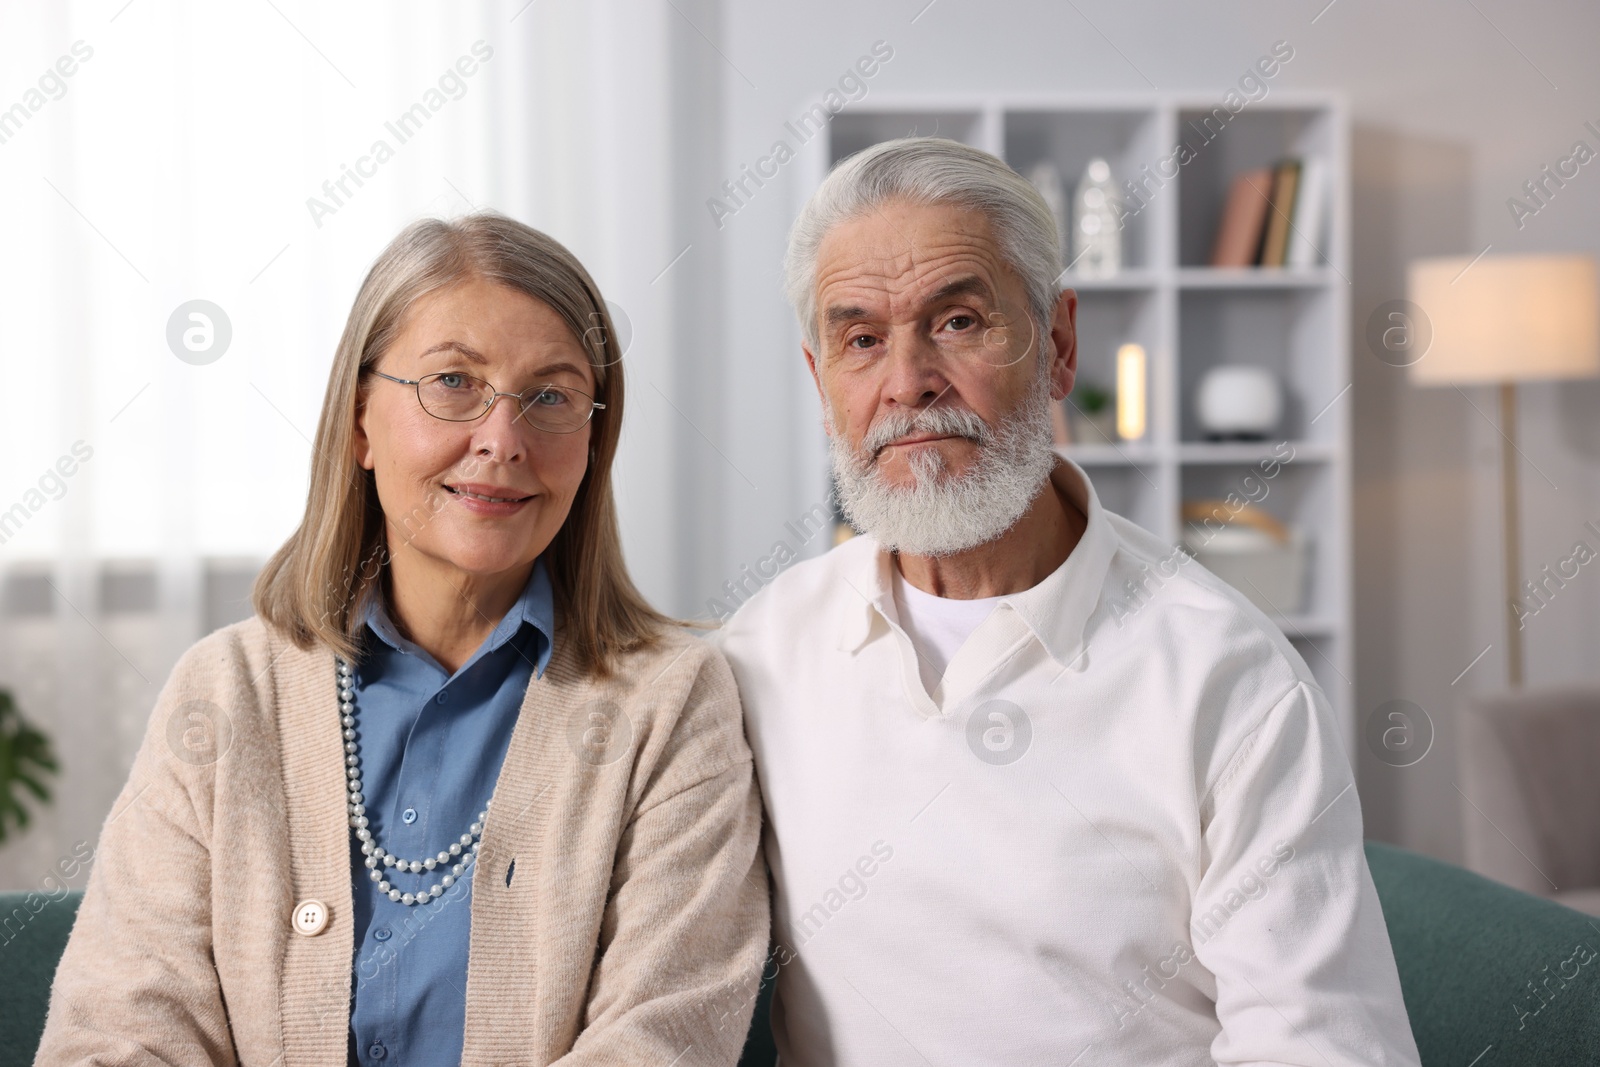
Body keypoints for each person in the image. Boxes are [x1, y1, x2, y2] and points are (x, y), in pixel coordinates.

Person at [713, 138, 1422, 1066]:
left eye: (959, 321)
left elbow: (1326, 1047)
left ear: (1056, 346)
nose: (907, 380)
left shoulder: (1230, 681)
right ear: (821, 385)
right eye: (861, 339)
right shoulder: (757, 654)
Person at [35, 212, 769, 1066]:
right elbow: (117, 1033)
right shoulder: (225, 691)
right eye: (453, 381)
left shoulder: (675, 702)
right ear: (359, 426)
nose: (503, 438)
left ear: (594, 441)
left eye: (551, 396)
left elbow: (664, 1039)